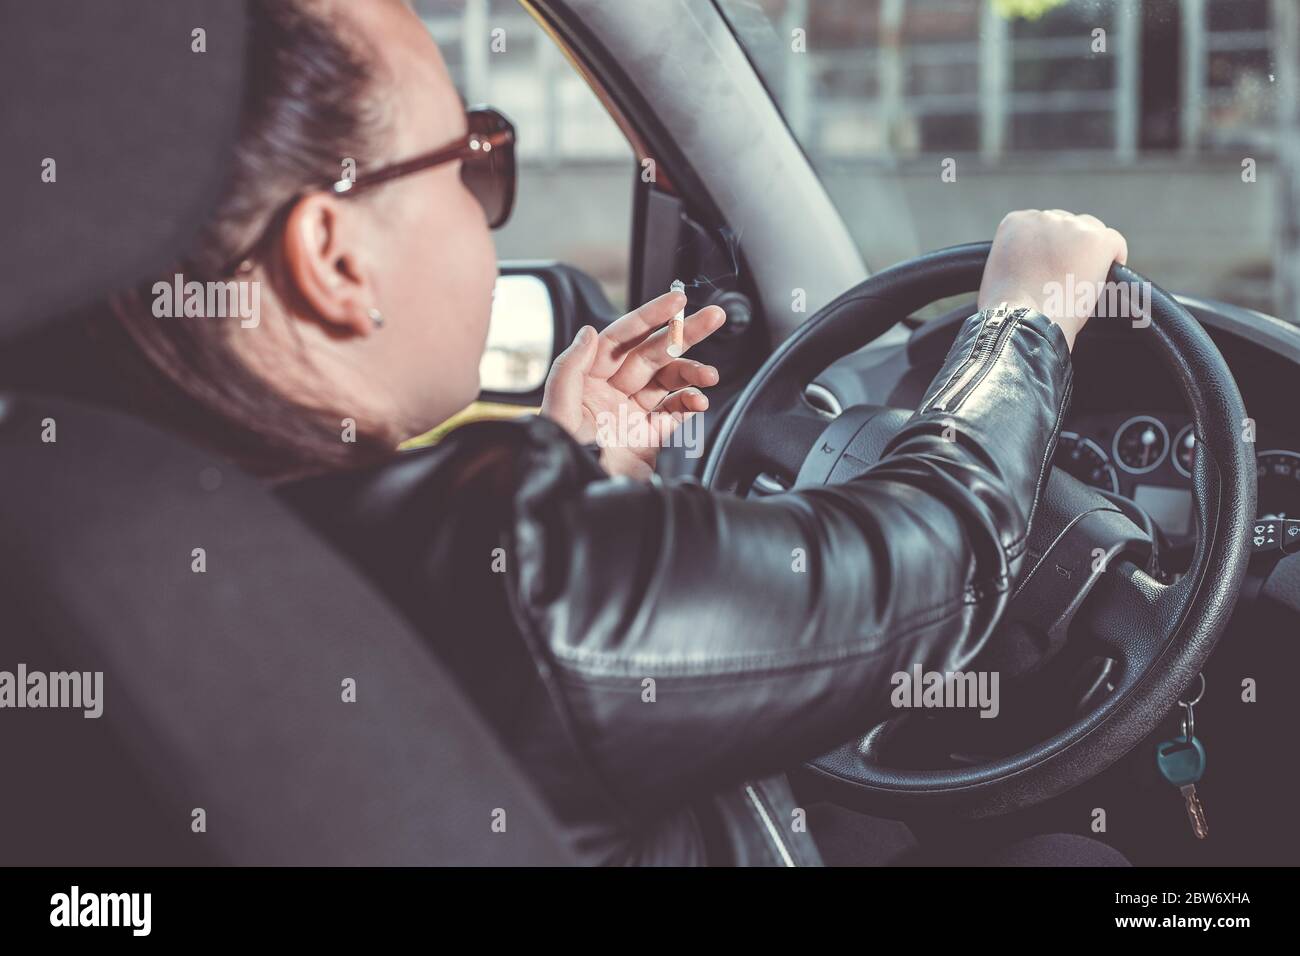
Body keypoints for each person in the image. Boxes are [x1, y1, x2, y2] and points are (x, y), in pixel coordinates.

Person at [4, 0, 1130, 865]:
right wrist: (1025, 321)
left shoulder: (87, 518)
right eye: (473, 160)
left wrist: (573, 474)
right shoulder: (506, 574)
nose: (486, 194)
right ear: (334, 262)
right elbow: (927, 570)